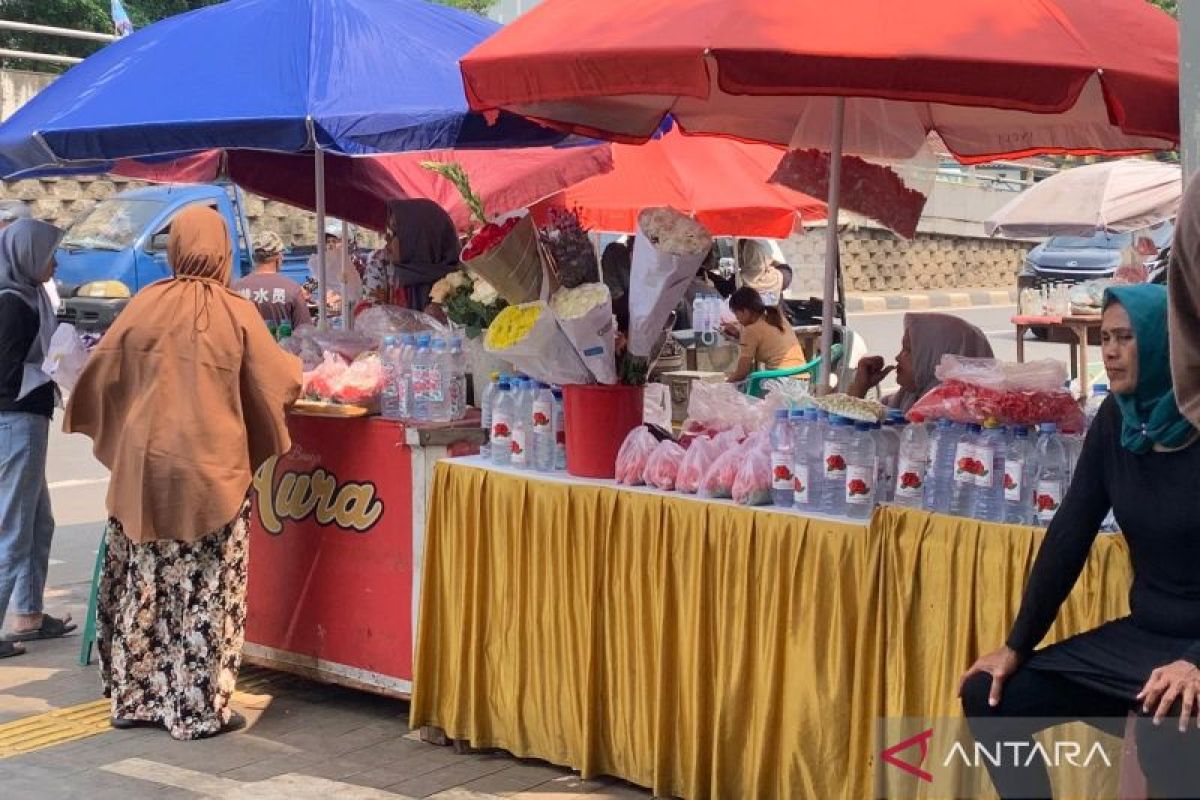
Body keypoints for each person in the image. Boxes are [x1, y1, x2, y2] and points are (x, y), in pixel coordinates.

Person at [65, 207, 301, 739]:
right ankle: (195, 708)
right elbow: (279, 380)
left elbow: (100, 376)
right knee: (206, 589)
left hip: (141, 476)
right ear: (222, 249)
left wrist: (128, 433)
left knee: (144, 583)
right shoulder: (234, 312)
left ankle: (135, 697)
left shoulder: (143, 303)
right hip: (209, 477)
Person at [959, 284, 1200, 798]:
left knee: (1165, 723)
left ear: (1165, 344)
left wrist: (1195, 663)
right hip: (1143, 637)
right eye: (1105, 337)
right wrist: (1016, 645)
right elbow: (1070, 533)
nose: (1109, 351)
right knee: (990, 696)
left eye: (1126, 338)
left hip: (1194, 652)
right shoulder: (1117, 420)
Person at [0, 219, 73, 659]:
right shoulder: (14, 304)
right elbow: (6, 375)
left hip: (22, 420)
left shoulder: (26, 295)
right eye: (49, 253)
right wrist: (52, 373)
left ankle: (27, 613)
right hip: (17, 421)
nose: (55, 261)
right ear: (27, 256)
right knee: (13, 525)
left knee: (37, 520)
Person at [849, 312, 993, 411]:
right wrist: (859, 387)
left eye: (908, 350)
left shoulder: (952, 417)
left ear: (935, 359)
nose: (898, 357)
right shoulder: (906, 399)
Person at [363, 199, 459, 312]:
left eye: (394, 232)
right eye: (387, 230)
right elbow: (367, 317)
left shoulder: (460, 278)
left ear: (419, 237)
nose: (386, 238)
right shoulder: (381, 266)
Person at [723, 287, 807, 383]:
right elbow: (766, 339)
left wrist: (723, 385)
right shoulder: (776, 317)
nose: (737, 318)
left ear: (745, 311)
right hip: (802, 376)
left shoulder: (750, 330)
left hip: (783, 381)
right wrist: (739, 335)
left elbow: (742, 373)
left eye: (736, 314)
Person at [234, 231, 312, 330]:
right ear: (278, 257)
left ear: (255, 258)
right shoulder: (292, 289)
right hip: (281, 346)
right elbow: (305, 333)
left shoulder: (236, 288)